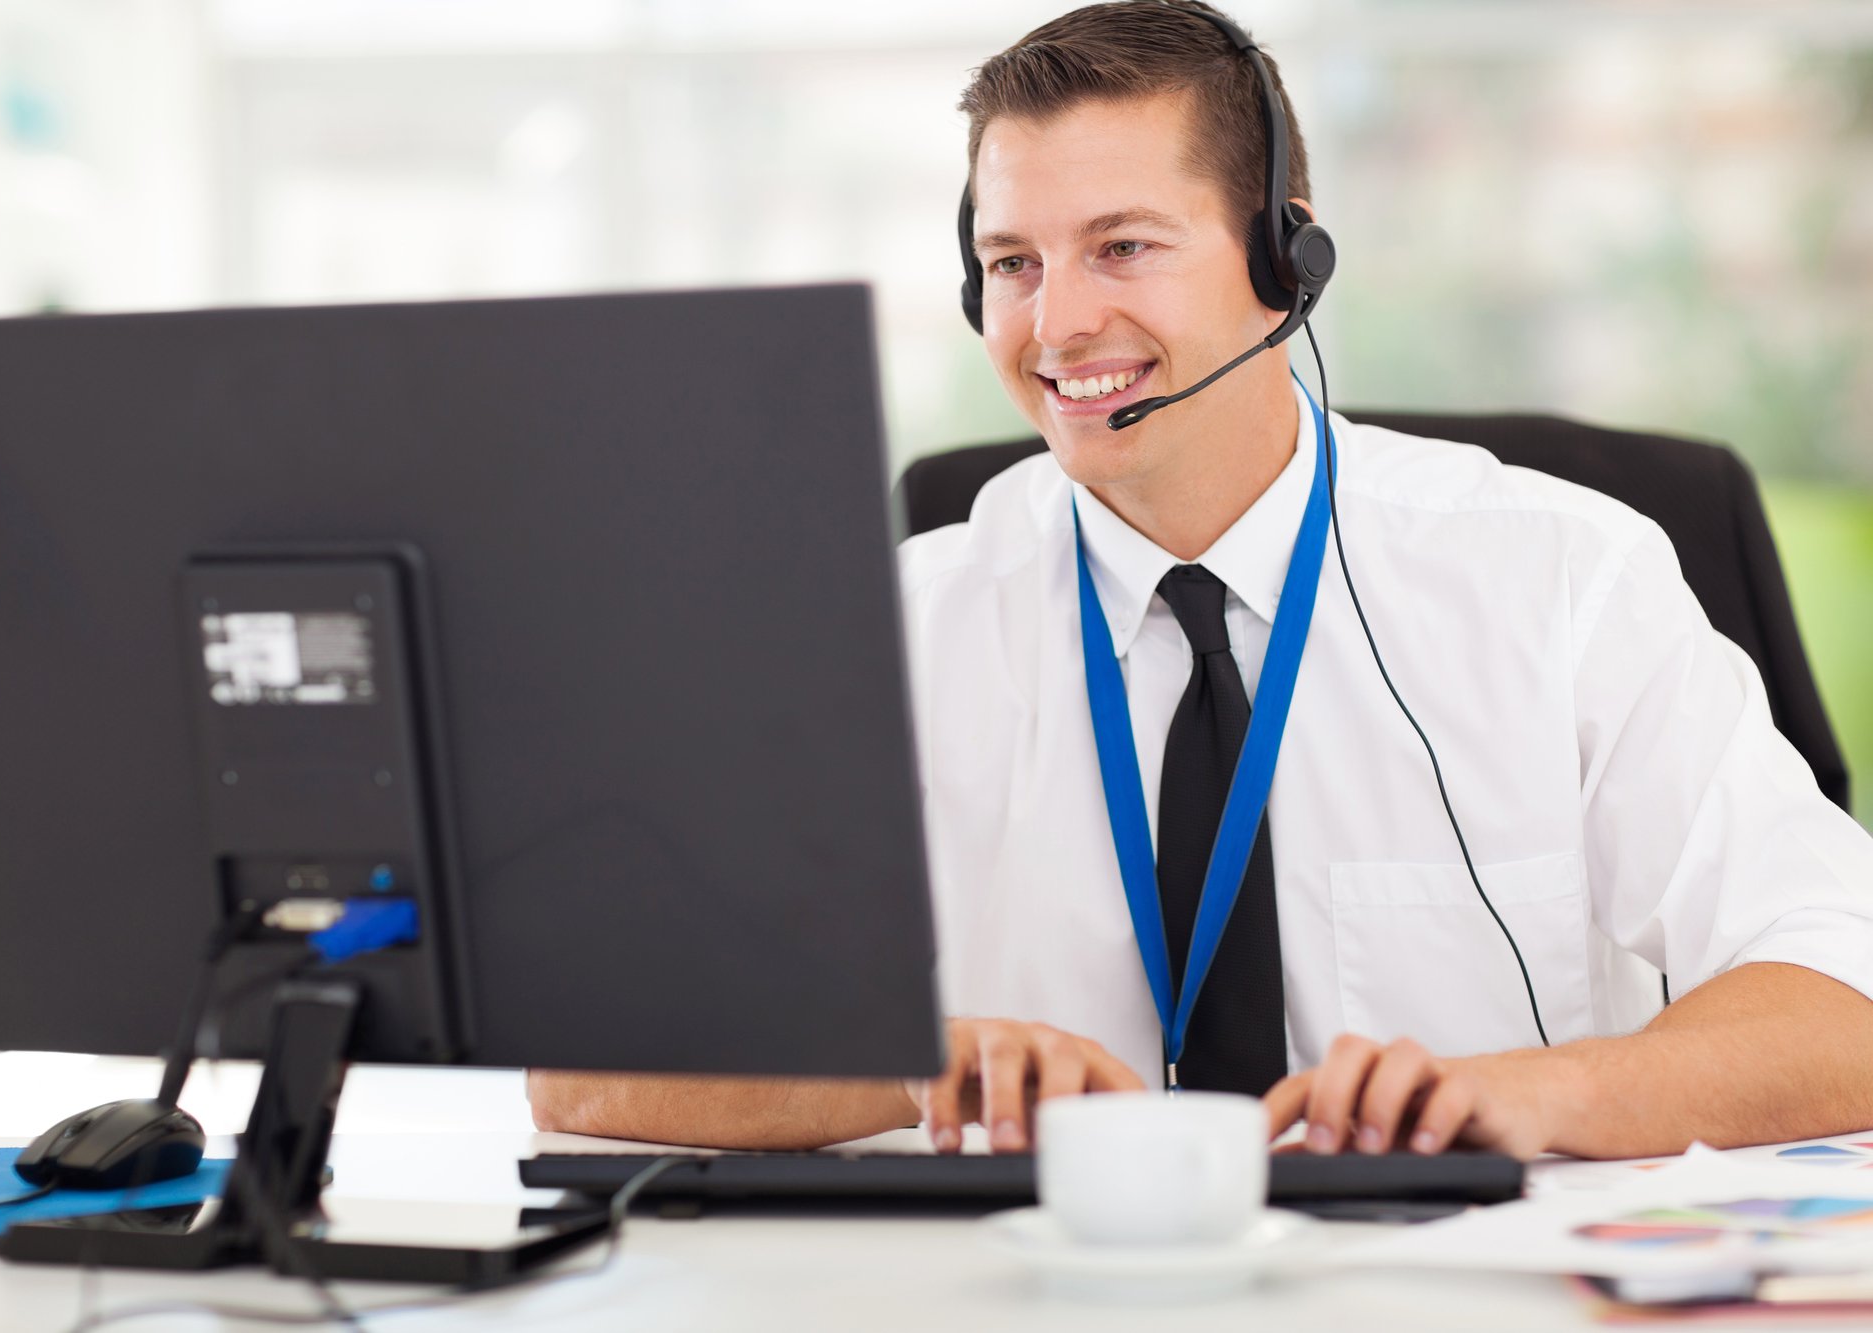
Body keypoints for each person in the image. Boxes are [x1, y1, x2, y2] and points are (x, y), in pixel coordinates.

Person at [528, 1, 1873, 1161]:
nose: (1057, 326)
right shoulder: (894, 629)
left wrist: (1533, 1087)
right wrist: (912, 1066)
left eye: (1123, 246)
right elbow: (584, 1067)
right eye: (1013, 263)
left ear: (1286, 264)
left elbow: (1846, 1001)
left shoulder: (1565, 578)